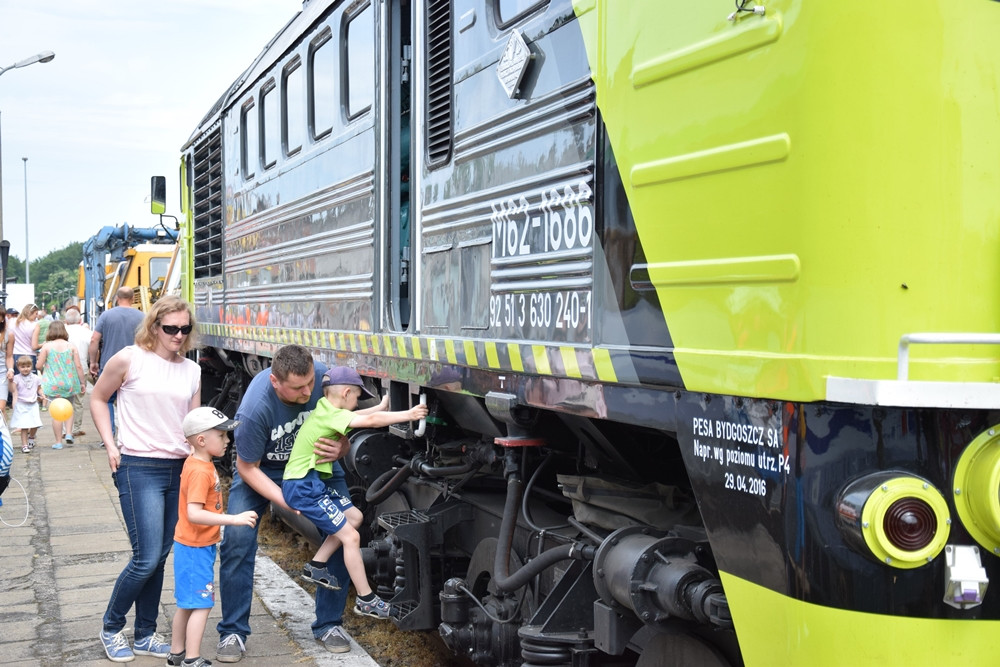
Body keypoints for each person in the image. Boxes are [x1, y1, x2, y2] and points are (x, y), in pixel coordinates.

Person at [216, 345, 351, 662]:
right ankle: (233, 631)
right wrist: (289, 501)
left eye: (309, 383)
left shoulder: (326, 381)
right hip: (265, 471)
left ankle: (329, 624)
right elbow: (247, 468)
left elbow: (345, 426)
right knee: (236, 539)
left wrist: (342, 447)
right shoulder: (254, 409)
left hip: (315, 467)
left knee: (346, 532)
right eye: (297, 388)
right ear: (276, 382)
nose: (307, 391)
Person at [93, 295, 201, 663]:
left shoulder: (192, 370)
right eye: (171, 328)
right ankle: (111, 626)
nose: (178, 335)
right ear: (154, 326)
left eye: (185, 329)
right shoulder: (129, 358)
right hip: (138, 467)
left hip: (179, 469)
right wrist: (110, 444)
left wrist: (202, 465)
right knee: (145, 557)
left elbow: (194, 423)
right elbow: (97, 398)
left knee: (160, 557)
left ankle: (145, 634)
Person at [283, 367, 427, 619]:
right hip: (303, 486)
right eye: (357, 396)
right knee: (350, 537)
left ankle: (316, 565)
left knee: (355, 517)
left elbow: (361, 415)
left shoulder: (325, 408)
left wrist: (381, 406)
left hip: (310, 483)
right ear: (346, 392)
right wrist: (409, 413)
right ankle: (366, 599)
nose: (357, 402)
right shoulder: (331, 416)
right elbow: (367, 421)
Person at [168, 407, 258, 667]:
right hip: (195, 547)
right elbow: (194, 513)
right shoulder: (200, 471)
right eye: (222, 435)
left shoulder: (199, 463)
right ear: (201, 440)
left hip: (193, 545)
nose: (228, 440)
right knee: (201, 604)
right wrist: (233, 519)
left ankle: (176, 654)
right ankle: (192, 659)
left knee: (187, 603)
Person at [90, 287, 144, 437]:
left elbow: (94, 339)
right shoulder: (142, 316)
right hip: (136, 365)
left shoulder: (106, 316)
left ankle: (108, 434)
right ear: (133, 299)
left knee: (105, 399)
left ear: (117, 298)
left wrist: (93, 362)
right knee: (133, 401)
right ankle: (132, 434)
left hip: (110, 365)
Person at [36, 321, 86, 449]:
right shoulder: (71, 346)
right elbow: (79, 366)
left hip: (53, 384)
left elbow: (38, 365)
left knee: (56, 412)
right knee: (69, 408)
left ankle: (58, 442)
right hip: (69, 383)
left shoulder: (46, 347)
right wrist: (82, 382)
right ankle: (69, 433)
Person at [63, 306, 93, 437]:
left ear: (66, 320)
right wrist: (93, 363)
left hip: (63, 371)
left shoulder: (61, 332)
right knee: (79, 401)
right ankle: (76, 428)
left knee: (65, 399)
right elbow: (94, 350)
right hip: (82, 368)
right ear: (80, 320)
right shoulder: (87, 332)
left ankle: (65, 430)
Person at [8, 356, 43, 453]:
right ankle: (24, 444)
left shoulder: (35, 378)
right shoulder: (16, 378)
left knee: (35, 424)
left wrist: (42, 394)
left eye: (28, 366)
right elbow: (12, 390)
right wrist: (10, 381)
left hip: (33, 404)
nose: (25, 369)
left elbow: (39, 388)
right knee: (24, 426)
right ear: (18, 367)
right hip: (22, 404)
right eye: (23, 367)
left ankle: (31, 438)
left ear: (31, 366)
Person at [9, 304, 40, 373]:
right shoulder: (35, 325)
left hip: (15, 355)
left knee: (16, 381)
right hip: (30, 356)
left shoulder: (12, 322)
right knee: (31, 382)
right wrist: (43, 344)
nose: (37, 316)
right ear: (30, 313)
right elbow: (34, 346)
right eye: (36, 313)